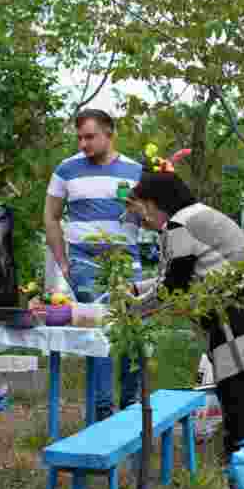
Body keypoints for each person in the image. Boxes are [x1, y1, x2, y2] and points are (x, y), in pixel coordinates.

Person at [125, 167, 244, 460]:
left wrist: (130, 309)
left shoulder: (179, 226)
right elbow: (180, 274)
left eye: (141, 210)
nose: (143, 220)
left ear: (154, 202)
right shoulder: (195, 215)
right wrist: (137, 289)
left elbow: (172, 288)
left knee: (242, 419)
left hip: (242, 320)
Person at [44, 109, 143, 420]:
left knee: (132, 329)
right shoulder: (66, 170)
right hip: (84, 261)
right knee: (99, 326)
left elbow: (150, 217)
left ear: (109, 134)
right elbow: (50, 215)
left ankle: (131, 405)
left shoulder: (135, 170)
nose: (83, 143)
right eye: (79, 137)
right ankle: (103, 411)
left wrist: (136, 209)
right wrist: (62, 261)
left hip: (127, 262)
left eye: (90, 137)